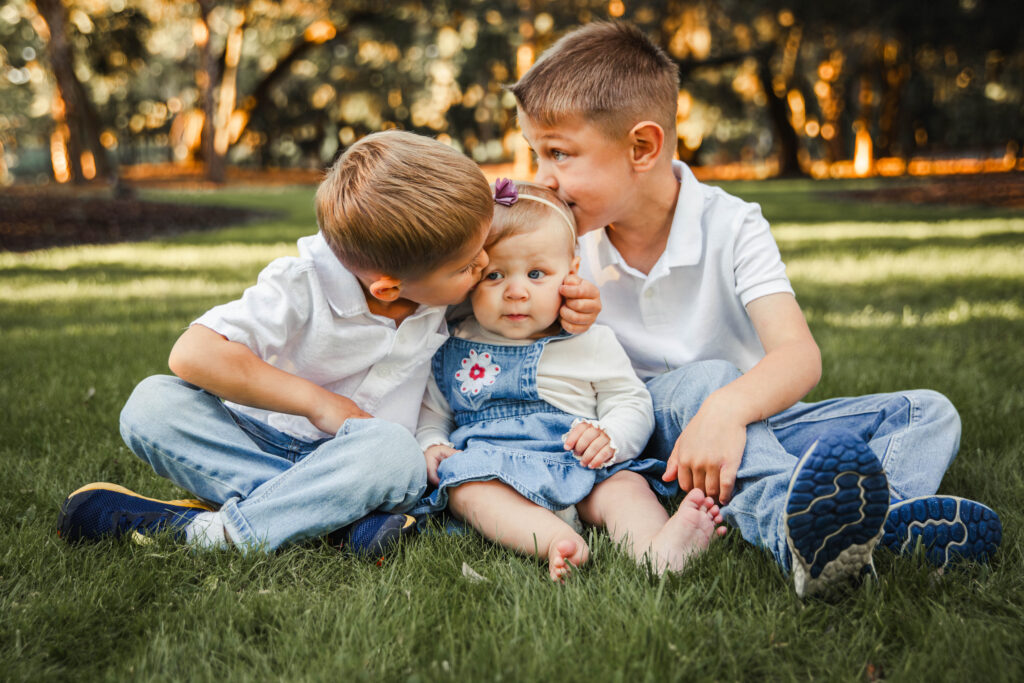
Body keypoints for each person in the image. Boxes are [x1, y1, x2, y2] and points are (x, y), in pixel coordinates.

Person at [509, 21, 1002, 596]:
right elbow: (506, 328)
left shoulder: (733, 223)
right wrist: (559, 315)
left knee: (928, 411)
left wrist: (726, 411)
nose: (541, 178)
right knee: (708, 379)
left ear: (641, 147)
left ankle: (876, 524)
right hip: (640, 439)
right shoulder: (558, 241)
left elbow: (798, 358)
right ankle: (791, 533)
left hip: (743, 428)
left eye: (559, 154)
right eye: (535, 154)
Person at [56, 131, 542, 556]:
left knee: (394, 451)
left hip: (369, 464)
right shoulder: (302, 282)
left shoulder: (447, 284)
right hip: (263, 441)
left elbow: (526, 285)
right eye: (468, 265)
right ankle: (337, 521)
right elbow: (191, 354)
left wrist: (569, 300)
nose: (483, 266)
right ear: (388, 287)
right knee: (151, 405)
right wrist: (316, 402)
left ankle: (217, 533)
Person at [414, 179, 726, 581]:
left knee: (625, 487)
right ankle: (552, 539)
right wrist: (433, 444)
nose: (516, 291)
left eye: (536, 273)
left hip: (580, 463)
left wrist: (609, 436)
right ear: (470, 277)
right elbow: (432, 413)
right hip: (495, 467)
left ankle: (658, 548)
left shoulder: (591, 341)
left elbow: (630, 400)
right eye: (494, 276)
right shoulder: (454, 345)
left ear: (572, 271)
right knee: (466, 490)